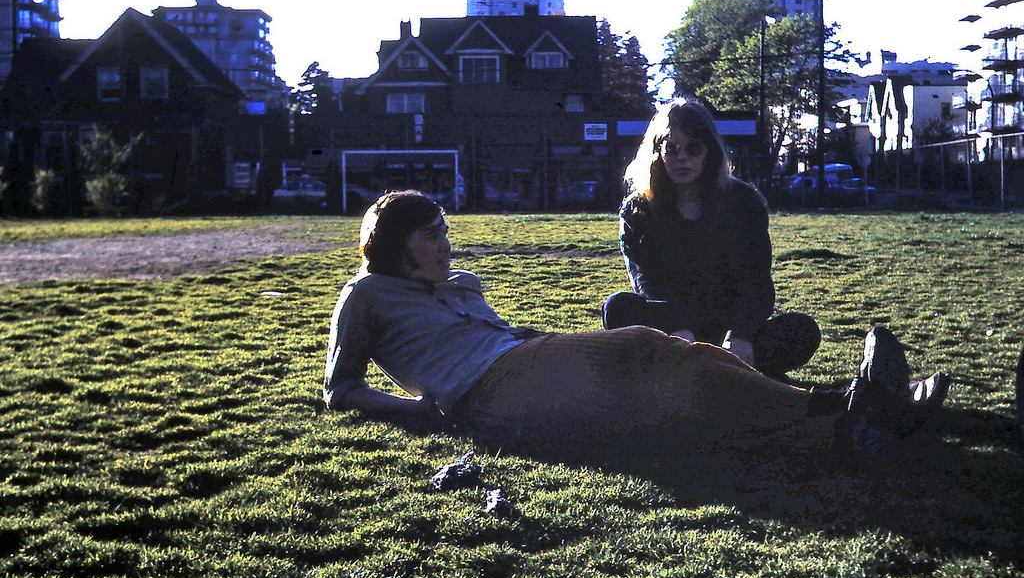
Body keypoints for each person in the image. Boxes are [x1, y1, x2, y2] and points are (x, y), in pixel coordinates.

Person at [323, 190, 951, 459]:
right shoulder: (369, 294)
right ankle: (847, 406)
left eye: (445, 232)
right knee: (648, 347)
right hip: (484, 392)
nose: (446, 246)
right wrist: (421, 409)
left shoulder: (459, 284)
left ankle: (850, 431)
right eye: (432, 237)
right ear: (395, 245)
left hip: (525, 360)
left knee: (668, 401)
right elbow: (340, 388)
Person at [603, 97, 819, 379]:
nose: (682, 158)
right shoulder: (638, 209)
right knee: (617, 307)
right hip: (672, 328)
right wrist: (679, 330)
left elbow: (757, 281)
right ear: (658, 153)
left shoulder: (743, 201)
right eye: (672, 148)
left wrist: (740, 336)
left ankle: (716, 369)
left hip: (730, 328)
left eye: (693, 148)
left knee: (802, 330)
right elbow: (647, 282)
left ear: (710, 152)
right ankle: (728, 375)